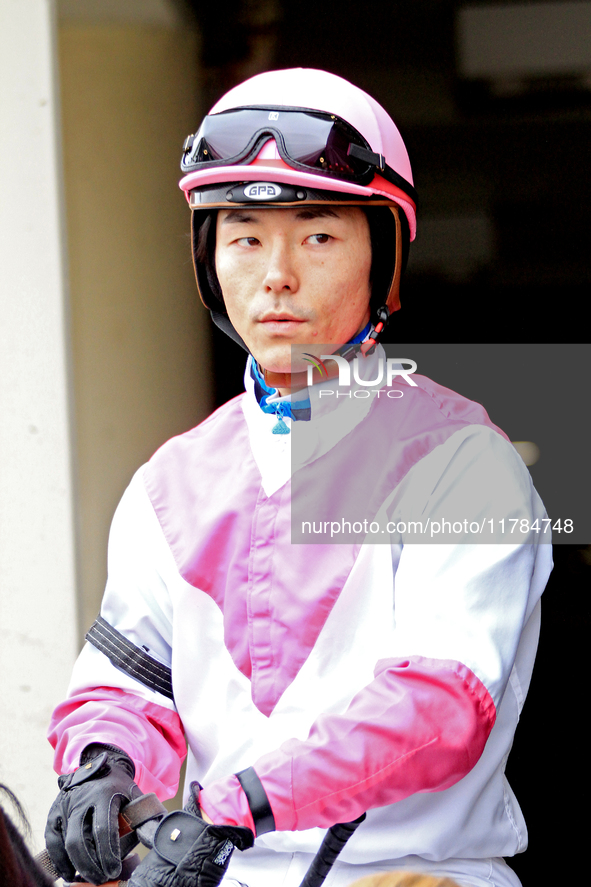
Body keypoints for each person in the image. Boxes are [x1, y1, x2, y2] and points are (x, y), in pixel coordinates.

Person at [44, 68, 551, 887]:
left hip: (418, 874)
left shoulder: (462, 460)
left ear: (382, 257)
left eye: (317, 235)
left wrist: (229, 807)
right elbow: (127, 678)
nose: (275, 273)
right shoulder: (169, 479)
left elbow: (440, 707)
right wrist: (100, 767)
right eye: (243, 235)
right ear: (211, 261)